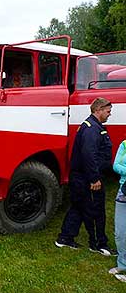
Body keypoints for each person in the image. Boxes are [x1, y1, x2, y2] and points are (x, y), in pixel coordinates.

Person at [55, 97, 116, 256]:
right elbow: (89, 156)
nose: (109, 115)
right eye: (108, 111)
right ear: (98, 110)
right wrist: (94, 178)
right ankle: (98, 244)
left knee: (79, 207)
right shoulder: (91, 129)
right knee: (95, 211)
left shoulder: (93, 126)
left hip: (81, 177)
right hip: (87, 178)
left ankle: (65, 238)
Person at [109, 139, 126, 281]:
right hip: (124, 192)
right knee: (120, 233)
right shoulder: (125, 144)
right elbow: (116, 166)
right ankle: (122, 264)